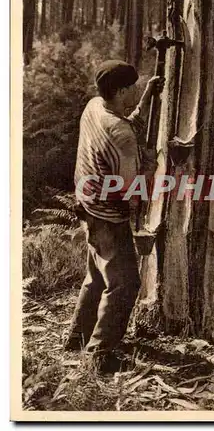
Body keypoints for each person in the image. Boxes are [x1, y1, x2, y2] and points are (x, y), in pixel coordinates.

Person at [64, 60, 164, 371]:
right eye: (132, 87)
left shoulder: (94, 107)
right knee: (125, 285)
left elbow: (121, 126)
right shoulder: (121, 134)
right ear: (120, 91)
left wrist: (147, 97)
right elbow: (130, 190)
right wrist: (151, 163)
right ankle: (99, 355)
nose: (135, 89)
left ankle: (77, 339)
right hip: (108, 215)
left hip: (87, 207)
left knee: (97, 277)